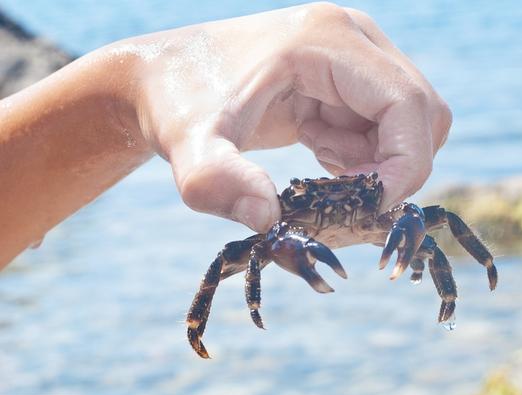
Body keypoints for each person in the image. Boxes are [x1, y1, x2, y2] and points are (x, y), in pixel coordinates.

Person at [0, 3, 451, 269]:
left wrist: (129, 92)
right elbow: (228, 265)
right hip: (294, 226)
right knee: (232, 260)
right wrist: (137, 83)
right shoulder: (280, 221)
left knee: (433, 218)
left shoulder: (383, 213)